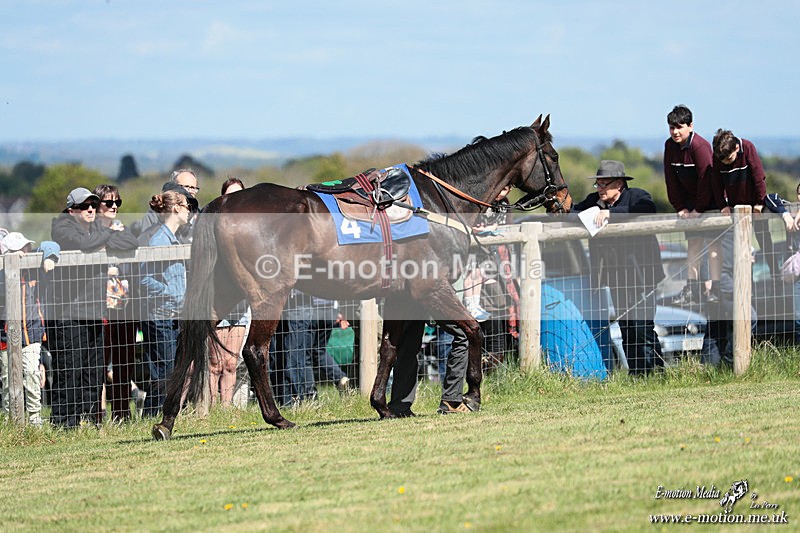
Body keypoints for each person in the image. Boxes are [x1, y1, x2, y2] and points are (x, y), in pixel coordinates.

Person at [48, 187, 139, 428]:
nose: (90, 209)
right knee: (70, 370)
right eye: (84, 206)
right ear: (71, 210)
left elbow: (130, 240)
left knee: (93, 371)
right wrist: (108, 235)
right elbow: (82, 244)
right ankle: (63, 423)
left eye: (92, 205)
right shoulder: (62, 225)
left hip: (95, 312)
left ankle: (90, 422)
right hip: (68, 313)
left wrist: (103, 238)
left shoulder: (98, 228)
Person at [571, 161, 666, 375]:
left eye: (605, 184)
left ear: (620, 184)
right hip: (616, 278)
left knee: (642, 328)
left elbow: (647, 208)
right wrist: (592, 211)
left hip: (643, 275)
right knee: (626, 329)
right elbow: (571, 213)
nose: (600, 189)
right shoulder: (595, 202)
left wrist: (610, 215)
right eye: (598, 184)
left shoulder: (637, 196)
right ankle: (637, 375)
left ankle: (654, 372)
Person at [138, 190, 191, 416]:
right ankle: (152, 416)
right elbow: (144, 278)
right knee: (163, 373)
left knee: (169, 370)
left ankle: (162, 416)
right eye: (186, 205)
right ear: (176, 208)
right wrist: (169, 293)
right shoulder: (160, 240)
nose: (189, 210)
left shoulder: (174, 238)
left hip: (172, 315)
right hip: (160, 315)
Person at [0, 232, 59, 427]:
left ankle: (35, 420)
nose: (25, 252)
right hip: (5, 337)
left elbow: (50, 244)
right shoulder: (2, 274)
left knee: (32, 377)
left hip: (32, 333)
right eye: (20, 249)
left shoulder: (34, 270)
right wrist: (9, 260)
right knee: (8, 382)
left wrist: (50, 256)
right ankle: (11, 421)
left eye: (26, 247)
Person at [662, 105, 720, 305]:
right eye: (671, 127)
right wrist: (680, 207)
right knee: (693, 244)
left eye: (679, 127)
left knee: (714, 244)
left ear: (690, 126)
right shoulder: (669, 146)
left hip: (710, 202)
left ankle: (715, 288)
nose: (675, 132)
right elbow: (670, 179)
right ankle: (692, 288)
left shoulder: (700, 147)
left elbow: (708, 180)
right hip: (689, 204)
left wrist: (699, 209)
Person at [93, 184, 140, 421]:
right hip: (99, 305)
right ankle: (98, 413)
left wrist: (107, 241)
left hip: (125, 305)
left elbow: (131, 242)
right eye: (108, 203)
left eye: (117, 203)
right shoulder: (88, 231)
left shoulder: (123, 228)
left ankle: (122, 412)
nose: (113, 207)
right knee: (99, 362)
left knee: (124, 361)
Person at [207, 176, 251, 407]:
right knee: (215, 363)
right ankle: (210, 407)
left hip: (241, 304)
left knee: (232, 362)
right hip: (220, 300)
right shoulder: (214, 227)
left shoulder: (251, 232)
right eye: (230, 194)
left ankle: (226, 409)